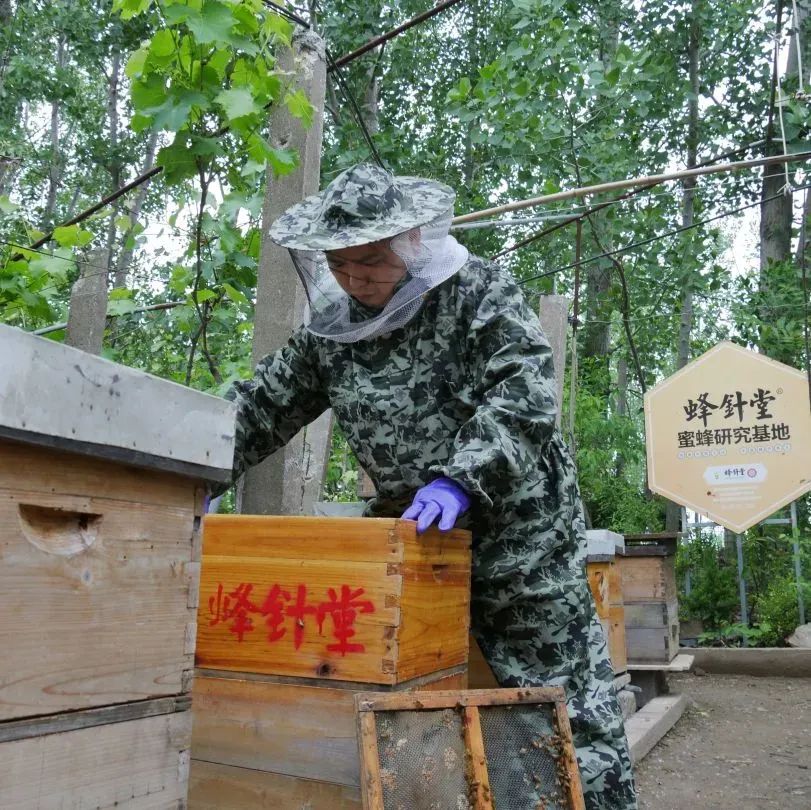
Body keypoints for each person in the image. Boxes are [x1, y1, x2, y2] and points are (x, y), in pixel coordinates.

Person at [223, 163, 638, 809]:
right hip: (421, 546)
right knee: (415, 704)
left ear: (410, 241)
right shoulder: (330, 334)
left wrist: (461, 479)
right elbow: (261, 406)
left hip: (519, 541)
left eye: (367, 261)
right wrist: (188, 464)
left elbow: (523, 393)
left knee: (567, 704)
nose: (352, 277)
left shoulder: (477, 294)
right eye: (337, 263)